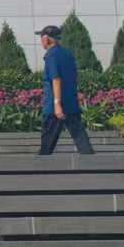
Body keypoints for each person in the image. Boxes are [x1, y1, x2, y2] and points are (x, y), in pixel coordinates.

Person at [37, 24, 94, 155]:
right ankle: (92, 163)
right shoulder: (67, 54)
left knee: (47, 144)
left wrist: (57, 104)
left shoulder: (51, 55)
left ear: (46, 39)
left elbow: (56, 79)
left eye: (41, 38)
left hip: (54, 108)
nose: (41, 41)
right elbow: (72, 77)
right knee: (81, 139)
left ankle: (40, 165)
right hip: (71, 103)